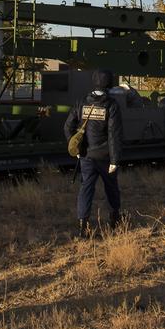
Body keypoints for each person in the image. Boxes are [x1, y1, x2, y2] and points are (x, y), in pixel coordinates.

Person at [63, 69, 124, 236]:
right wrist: (115, 160)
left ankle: (83, 227)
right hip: (105, 157)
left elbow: (67, 127)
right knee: (111, 188)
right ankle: (114, 221)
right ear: (109, 83)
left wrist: (76, 148)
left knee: (86, 189)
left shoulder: (81, 102)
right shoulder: (112, 105)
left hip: (86, 156)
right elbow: (114, 134)